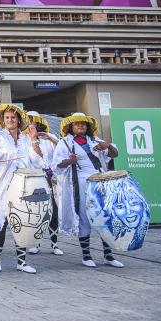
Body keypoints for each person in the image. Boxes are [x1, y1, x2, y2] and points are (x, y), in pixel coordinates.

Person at [0, 104, 47, 275]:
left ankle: (22, 262)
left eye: (13, 117)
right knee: (0, 223)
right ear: (3, 121)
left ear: (18, 120)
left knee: (22, 222)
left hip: (22, 188)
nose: (10, 120)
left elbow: (38, 159)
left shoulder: (26, 139)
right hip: (1, 188)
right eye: (7, 118)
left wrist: (34, 139)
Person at [52, 112, 123, 268]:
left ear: (88, 126)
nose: (80, 125)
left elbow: (115, 154)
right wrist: (69, 161)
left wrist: (108, 145)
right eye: (77, 123)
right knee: (84, 217)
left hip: (101, 182)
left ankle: (109, 256)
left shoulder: (96, 140)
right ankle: (86, 255)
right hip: (81, 184)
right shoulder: (64, 143)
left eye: (83, 123)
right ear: (71, 127)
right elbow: (56, 165)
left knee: (105, 216)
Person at [24, 111, 64, 256]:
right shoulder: (23, 140)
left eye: (32, 122)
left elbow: (64, 149)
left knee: (53, 211)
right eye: (28, 122)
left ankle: (55, 244)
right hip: (36, 179)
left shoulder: (49, 137)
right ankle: (37, 243)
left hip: (53, 178)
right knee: (39, 212)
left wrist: (50, 139)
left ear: (38, 123)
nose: (30, 125)